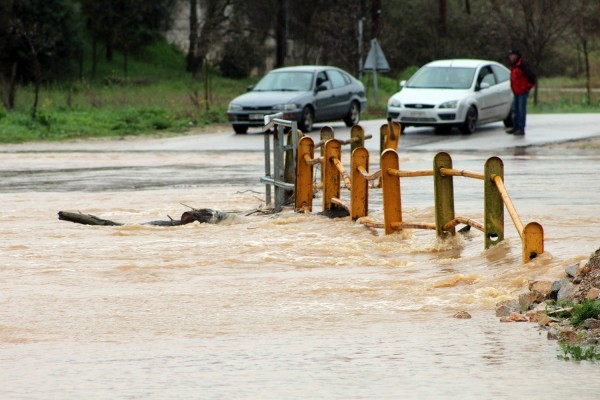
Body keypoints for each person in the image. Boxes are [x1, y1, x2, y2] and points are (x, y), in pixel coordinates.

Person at [506, 49, 536, 136]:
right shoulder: (514, 65)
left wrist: (527, 88)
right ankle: (515, 127)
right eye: (510, 56)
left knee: (521, 110)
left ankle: (521, 128)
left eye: (512, 55)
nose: (510, 57)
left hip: (522, 91)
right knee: (515, 110)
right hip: (516, 91)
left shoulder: (523, 65)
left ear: (516, 56)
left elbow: (532, 77)